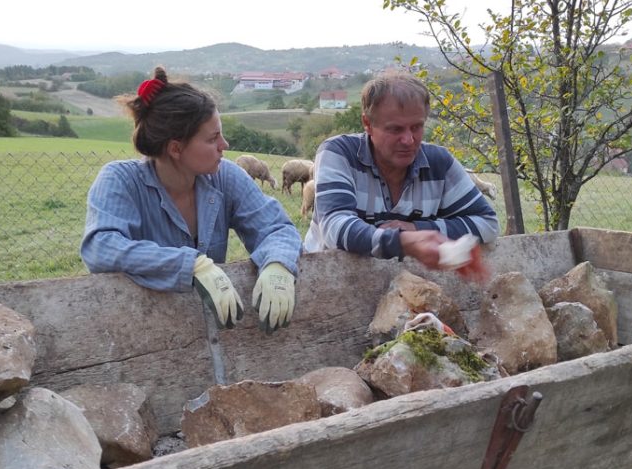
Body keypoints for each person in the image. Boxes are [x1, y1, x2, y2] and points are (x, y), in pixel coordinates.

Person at [81, 66, 301, 332]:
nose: (225, 145)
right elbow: (100, 247)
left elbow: (275, 227)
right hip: (139, 329)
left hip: (207, 331)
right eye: (213, 138)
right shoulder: (120, 180)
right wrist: (190, 264)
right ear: (176, 148)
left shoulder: (226, 176)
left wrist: (277, 263)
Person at [303, 71, 499, 272]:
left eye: (417, 127)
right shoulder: (339, 153)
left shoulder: (440, 163)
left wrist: (417, 229)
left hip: (401, 284)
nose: (408, 140)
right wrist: (404, 242)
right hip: (326, 280)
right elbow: (334, 227)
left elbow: (488, 223)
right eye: (395, 129)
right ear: (368, 124)